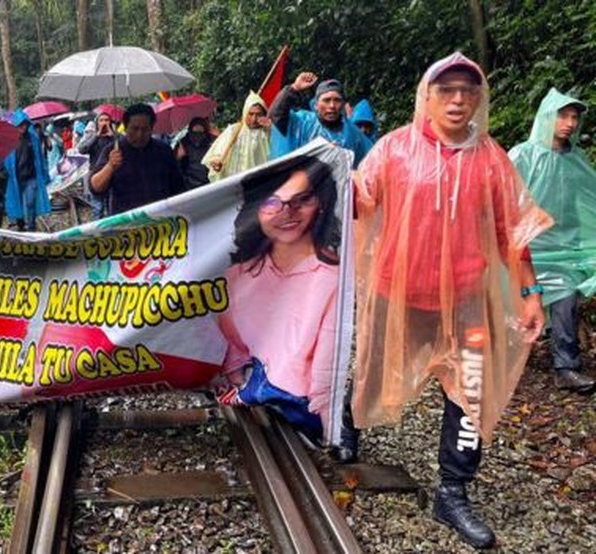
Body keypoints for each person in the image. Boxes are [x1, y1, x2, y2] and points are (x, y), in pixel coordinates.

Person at [352, 53, 552, 549]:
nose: (458, 100)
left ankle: (453, 490)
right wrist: (321, 176)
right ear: (428, 95)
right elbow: (359, 200)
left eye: (468, 91)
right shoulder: (394, 148)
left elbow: (514, 232)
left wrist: (529, 294)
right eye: (447, 90)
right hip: (397, 293)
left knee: (472, 388)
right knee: (370, 368)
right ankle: (345, 435)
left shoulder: (490, 157)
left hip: (465, 302)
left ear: (478, 99)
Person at [218, 156, 340, 443]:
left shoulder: (332, 277)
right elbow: (230, 346)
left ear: (321, 202)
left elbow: (326, 367)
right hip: (247, 392)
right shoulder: (236, 274)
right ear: (254, 210)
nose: (288, 212)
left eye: (303, 199)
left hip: (302, 409)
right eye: (272, 202)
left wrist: (329, 423)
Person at [510, 88, 596, 393]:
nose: (570, 123)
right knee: (511, 302)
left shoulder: (577, 159)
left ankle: (566, 367)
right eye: (563, 115)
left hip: (566, 249)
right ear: (548, 116)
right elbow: (506, 199)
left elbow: (587, 201)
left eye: (574, 117)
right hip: (529, 248)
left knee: (566, 298)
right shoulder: (524, 155)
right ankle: (504, 361)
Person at [90, 103, 186, 214]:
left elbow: (178, 188)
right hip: (127, 223)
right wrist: (110, 166)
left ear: (152, 127)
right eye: (134, 129)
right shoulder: (112, 151)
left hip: (161, 220)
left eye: (145, 129)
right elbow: (95, 187)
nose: (139, 134)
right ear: (125, 127)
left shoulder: (163, 150)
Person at [269, 73, 372, 167]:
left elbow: (370, 162)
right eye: (326, 100)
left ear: (343, 104)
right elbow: (277, 114)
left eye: (337, 100)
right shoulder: (303, 122)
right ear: (316, 105)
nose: (332, 106)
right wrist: (294, 88)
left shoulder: (352, 133)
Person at [203, 92, 272, 182]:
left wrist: (271, 129)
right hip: (233, 182)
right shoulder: (233, 130)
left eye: (258, 114)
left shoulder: (266, 134)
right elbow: (218, 154)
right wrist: (217, 162)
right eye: (251, 114)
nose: (254, 119)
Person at [3, 109, 51, 231]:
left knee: (30, 203)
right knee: (17, 201)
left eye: (25, 124)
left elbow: (40, 157)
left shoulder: (33, 138)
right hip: (15, 178)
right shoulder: (9, 140)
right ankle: (20, 225)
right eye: (20, 124)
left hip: (31, 177)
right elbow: (6, 160)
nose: (23, 127)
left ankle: (31, 227)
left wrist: (45, 174)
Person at [78, 112, 120, 219]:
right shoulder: (93, 136)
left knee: (112, 207)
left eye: (107, 120)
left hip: (113, 176)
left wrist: (113, 135)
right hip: (96, 177)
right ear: (97, 123)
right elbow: (82, 149)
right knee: (98, 208)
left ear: (110, 122)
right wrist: (96, 136)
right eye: (101, 120)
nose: (104, 123)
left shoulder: (115, 136)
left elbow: (124, 145)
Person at [176, 117, 217, 189]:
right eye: (195, 132)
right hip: (188, 186)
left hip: (209, 184)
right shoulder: (183, 143)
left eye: (200, 132)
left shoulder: (212, 142)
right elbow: (174, 168)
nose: (197, 136)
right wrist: (179, 157)